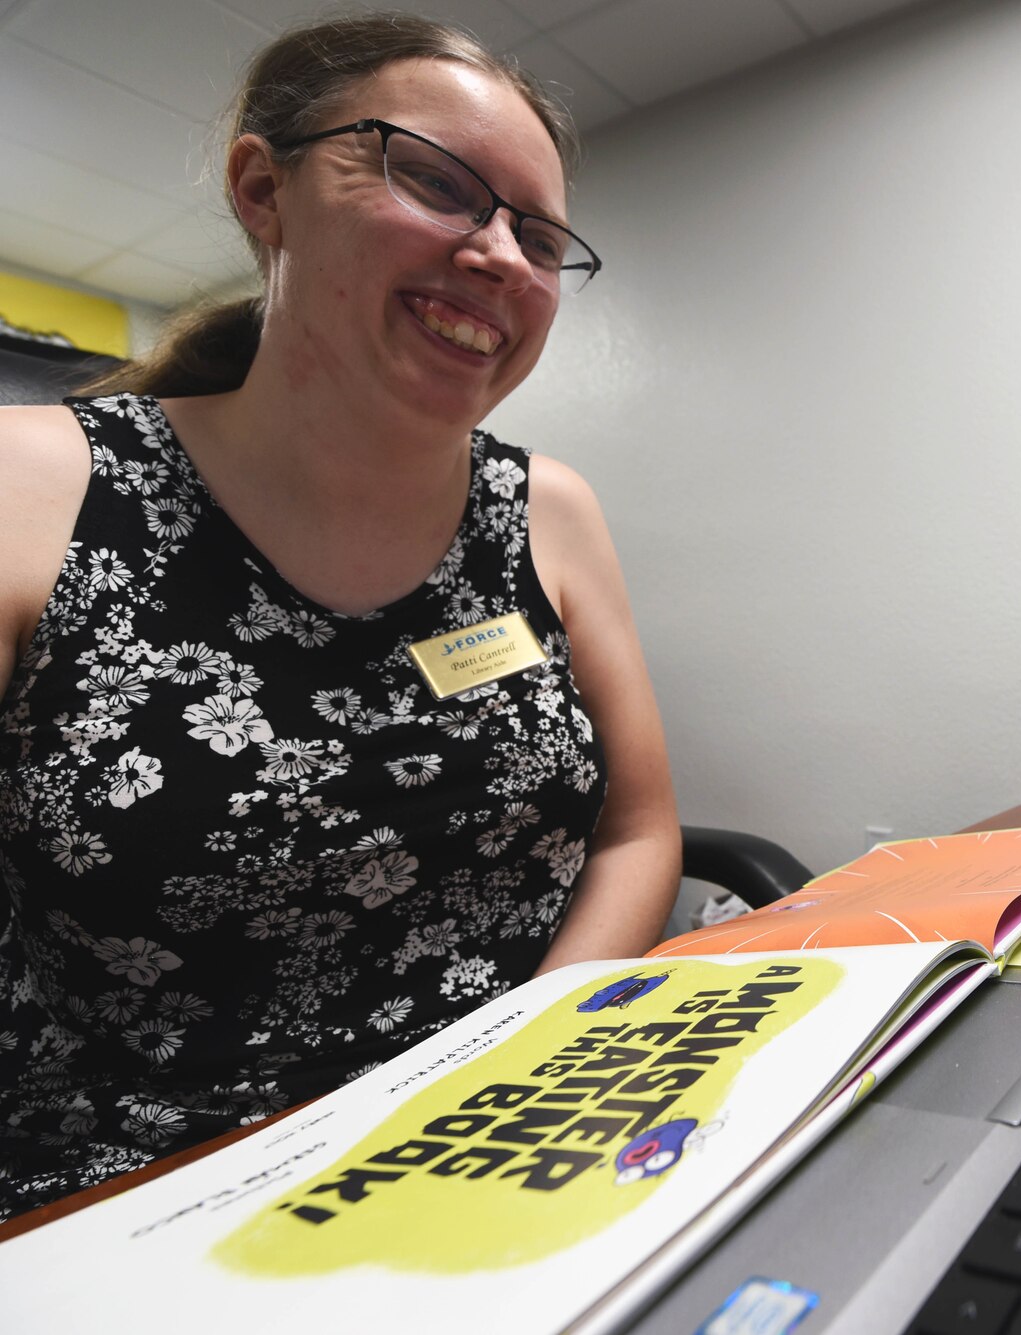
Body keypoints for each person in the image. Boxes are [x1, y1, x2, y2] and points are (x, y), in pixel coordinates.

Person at [0, 13, 680, 1221]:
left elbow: (636, 831)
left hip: (519, 1125)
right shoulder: (29, 488)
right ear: (265, 190)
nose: (503, 259)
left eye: (536, 233)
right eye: (434, 181)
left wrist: (529, 1054)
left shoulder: (549, 510)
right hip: (165, 1191)